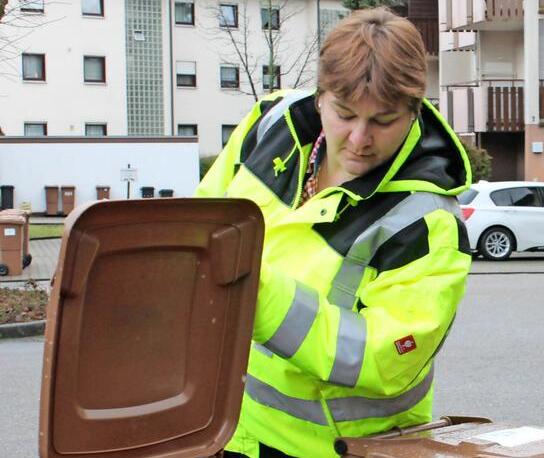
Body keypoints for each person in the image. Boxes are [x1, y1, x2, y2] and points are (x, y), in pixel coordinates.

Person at [196, 7, 472, 457]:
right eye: (344, 114)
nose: (359, 140)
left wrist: (251, 291)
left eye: (383, 121)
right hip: (231, 429)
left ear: (414, 112)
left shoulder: (428, 222)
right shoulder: (271, 125)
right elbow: (203, 224)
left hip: (336, 448)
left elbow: (385, 358)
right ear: (320, 96)